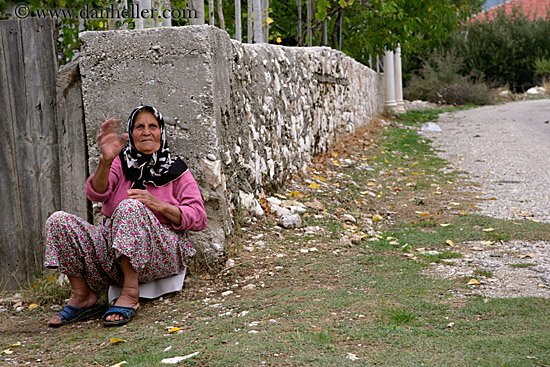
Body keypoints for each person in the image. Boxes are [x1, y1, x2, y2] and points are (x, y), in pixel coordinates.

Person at [45, 105, 207, 327]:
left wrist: (158, 205)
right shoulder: (120, 163)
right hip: (113, 256)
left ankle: (131, 293)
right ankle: (82, 296)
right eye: (140, 126)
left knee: (130, 207)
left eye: (153, 126)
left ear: (162, 132)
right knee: (58, 221)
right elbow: (96, 191)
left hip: (160, 254)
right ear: (131, 133)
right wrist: (106, 160)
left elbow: (198, 217)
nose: (146, 131)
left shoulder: (177, 171)